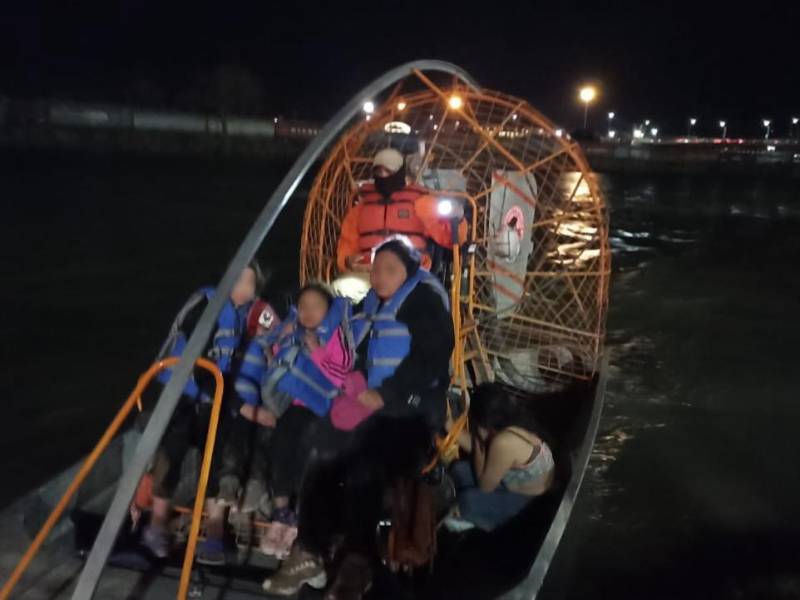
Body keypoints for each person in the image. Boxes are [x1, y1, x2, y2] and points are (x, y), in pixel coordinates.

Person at [262, 239, 454, 598]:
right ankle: (310, 549)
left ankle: (358, 563)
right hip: (373, 411)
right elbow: (352, 344)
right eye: (376, 270)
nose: (380, 277)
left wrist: (385, 394)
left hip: (412, 415)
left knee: (365, 468)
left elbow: (432, 354)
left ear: (409, 271)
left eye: (390, 270)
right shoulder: (372, 305)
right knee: (321, 450)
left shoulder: (423, 300)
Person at [140, 262, 266, 564]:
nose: (244, 288)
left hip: (208, 397)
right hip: (179, 392)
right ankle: (157, 523)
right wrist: (240, 405)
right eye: (239, 280)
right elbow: (199, 364)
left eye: (250, 283)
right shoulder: (208, 304)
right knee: (174, 446)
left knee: (219, 446)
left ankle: (214, 528)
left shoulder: (237, 317)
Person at [260, 283, 354, 559]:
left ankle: (302, 520)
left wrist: (315, 351)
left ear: (328, 310)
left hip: (324, 407)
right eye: (302, 307)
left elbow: (342, 376)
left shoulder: (337, 335)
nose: (308, 312)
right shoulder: (292, 332)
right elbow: (280, 364)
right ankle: (281, 515)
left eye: (315, 306)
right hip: (295, 406)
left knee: (307, 449)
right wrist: (276, 345)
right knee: (281, 443)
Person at [336, 148, 466, 277]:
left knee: (416, 293)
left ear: (400, 172)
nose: (383, 176)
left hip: (410, 272)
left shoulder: (421, 203)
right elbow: (347, 247)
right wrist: (347, 261)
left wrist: (458, 220)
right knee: (343, 287)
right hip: (370, 272)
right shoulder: (361, 209)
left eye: (388, 171)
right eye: (379, 171)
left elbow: (451, 238)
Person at [447, 382, 556, 532]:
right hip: (515, 480)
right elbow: (481, 451)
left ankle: (484, 521)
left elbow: (485, 486)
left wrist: (479, 439)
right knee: (458, 470)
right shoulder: (510, 422)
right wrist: (449, 426)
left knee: (467, 501)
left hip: (529, 500)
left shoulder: (504, 442)